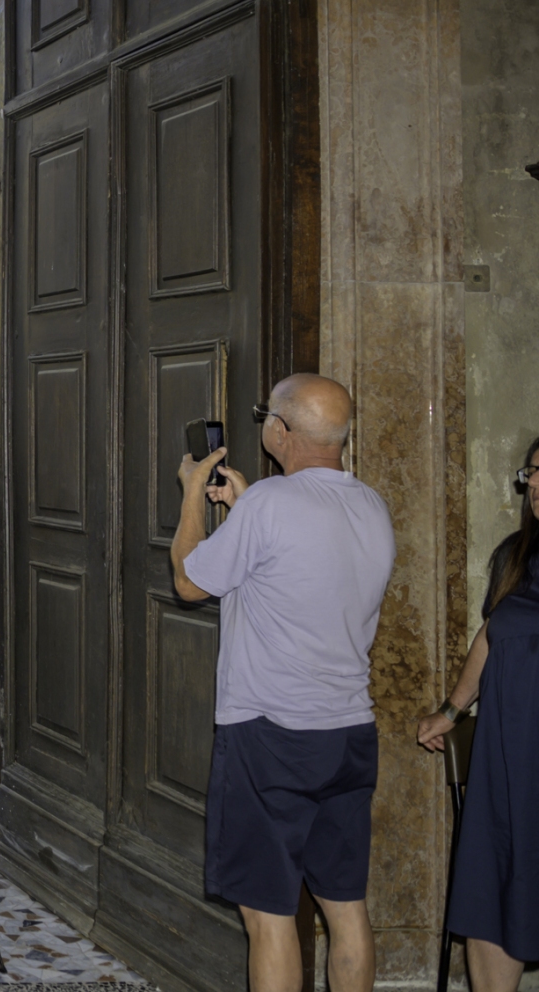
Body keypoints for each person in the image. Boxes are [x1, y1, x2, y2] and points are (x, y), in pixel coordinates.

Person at [171, 374, 394, 992]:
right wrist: (245, 513)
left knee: (269, 917)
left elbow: (189, 581)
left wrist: (194, 494)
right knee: (344, 905)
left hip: (270, 735)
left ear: (280, 431)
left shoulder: (271, 503)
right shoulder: (371, 506)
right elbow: (299, 570)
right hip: (349, 731)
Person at [418, 436, 539, 989]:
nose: (535, 484)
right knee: (494, 882)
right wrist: (451, 709)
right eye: (531, 474)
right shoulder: (514, 556)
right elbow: (492, 635)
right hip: (506, 751)